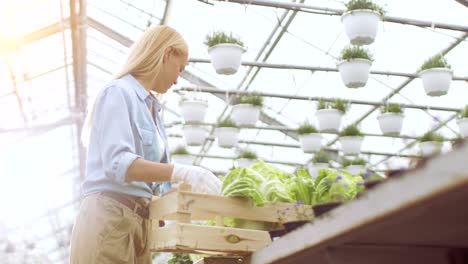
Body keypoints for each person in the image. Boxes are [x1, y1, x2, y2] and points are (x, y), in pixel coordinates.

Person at [69, 25, 221, 264]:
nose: (177, 79)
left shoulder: (152, 108)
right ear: (167, 53)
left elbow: (152, 184)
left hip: (140, 223)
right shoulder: (118, 92)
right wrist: (183, 171)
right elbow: (119, 164)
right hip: (110, 217)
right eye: (179, 68)